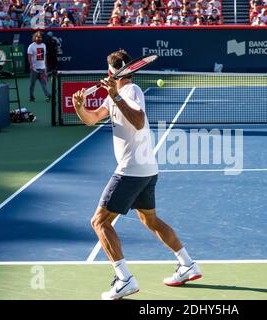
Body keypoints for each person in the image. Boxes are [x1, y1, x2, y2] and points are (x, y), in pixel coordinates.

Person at [71, 50, 202, 300]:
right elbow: (91, 120)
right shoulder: (114, 97)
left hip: (131, 170)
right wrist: (80, 107)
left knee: (99, 222)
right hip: (146, 170)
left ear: (113, 71)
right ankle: (187, 265)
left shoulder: (131, 91)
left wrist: (114, 95)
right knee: (150, 220)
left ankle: (124, 280)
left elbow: (139, 121)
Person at [27, 31, 50, 102]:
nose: (39, 38)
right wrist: (31, 65)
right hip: (34, 69)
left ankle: (47, 96)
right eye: (38, 37)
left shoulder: (44, 45)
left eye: (40, 37)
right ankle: (31, 96)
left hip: (42, 69)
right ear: (35, 37)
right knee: (32, 84)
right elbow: (29, 57)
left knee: (44, 84)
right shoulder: (31, 46)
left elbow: (45, 56)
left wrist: (45, 66)